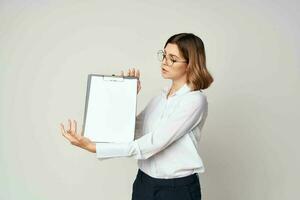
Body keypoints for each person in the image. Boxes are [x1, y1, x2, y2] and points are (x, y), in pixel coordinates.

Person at [60, 32, 214, 200]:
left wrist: (94, 148)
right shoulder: (161, 97)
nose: (164, 62)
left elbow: (153, 143)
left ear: (190, 64)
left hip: (176, 190)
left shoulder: (194, 101)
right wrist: (126, 96)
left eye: (173, 58)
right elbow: (133, 131)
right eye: (163, 55)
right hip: (144, 183)